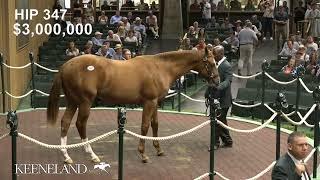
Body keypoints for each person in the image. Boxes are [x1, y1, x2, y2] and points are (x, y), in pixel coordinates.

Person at [205, 45, 233, 150]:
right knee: (220, 121)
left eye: (215, 54)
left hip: (223, 100)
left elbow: (228, 81)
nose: (213, 55)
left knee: (216, 122)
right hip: (214, 98)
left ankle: (215, 143)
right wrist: (207, 92)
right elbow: (210, 81)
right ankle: (228, 141)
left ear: (221, 54)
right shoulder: (214, 65)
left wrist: (218, 87)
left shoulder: (227, 66)